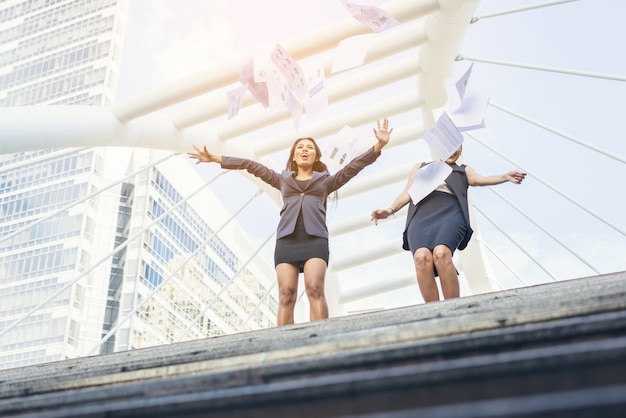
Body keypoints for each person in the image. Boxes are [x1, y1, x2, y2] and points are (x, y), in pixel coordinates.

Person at [188, 119, 392, 325]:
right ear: (294, 156)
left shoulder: (325, 182)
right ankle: (283, 347)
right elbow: (250, 165)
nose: (305, 150)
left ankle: (321, 341)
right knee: (286, 294)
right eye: (300, 147)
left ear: (316, 156)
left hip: (315, 240)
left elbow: (353, 167)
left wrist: (378, 146)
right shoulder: (282, 180)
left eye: (310, 148)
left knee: (315, 288)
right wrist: (215, 158)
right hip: (287, 240)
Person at [371, 145, 526, 303]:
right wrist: (389, 211)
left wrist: (504, 177)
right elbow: (407, 193)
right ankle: (433, 311)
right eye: (447, 145)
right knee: (421, 257)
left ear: (461, 150)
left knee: (441, 253)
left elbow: (480, 180)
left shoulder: (463, 171)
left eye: (456, 146)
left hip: (450, 214)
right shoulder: (421, 167)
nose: (452, 150)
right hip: (421, 216)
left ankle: (453, 308)